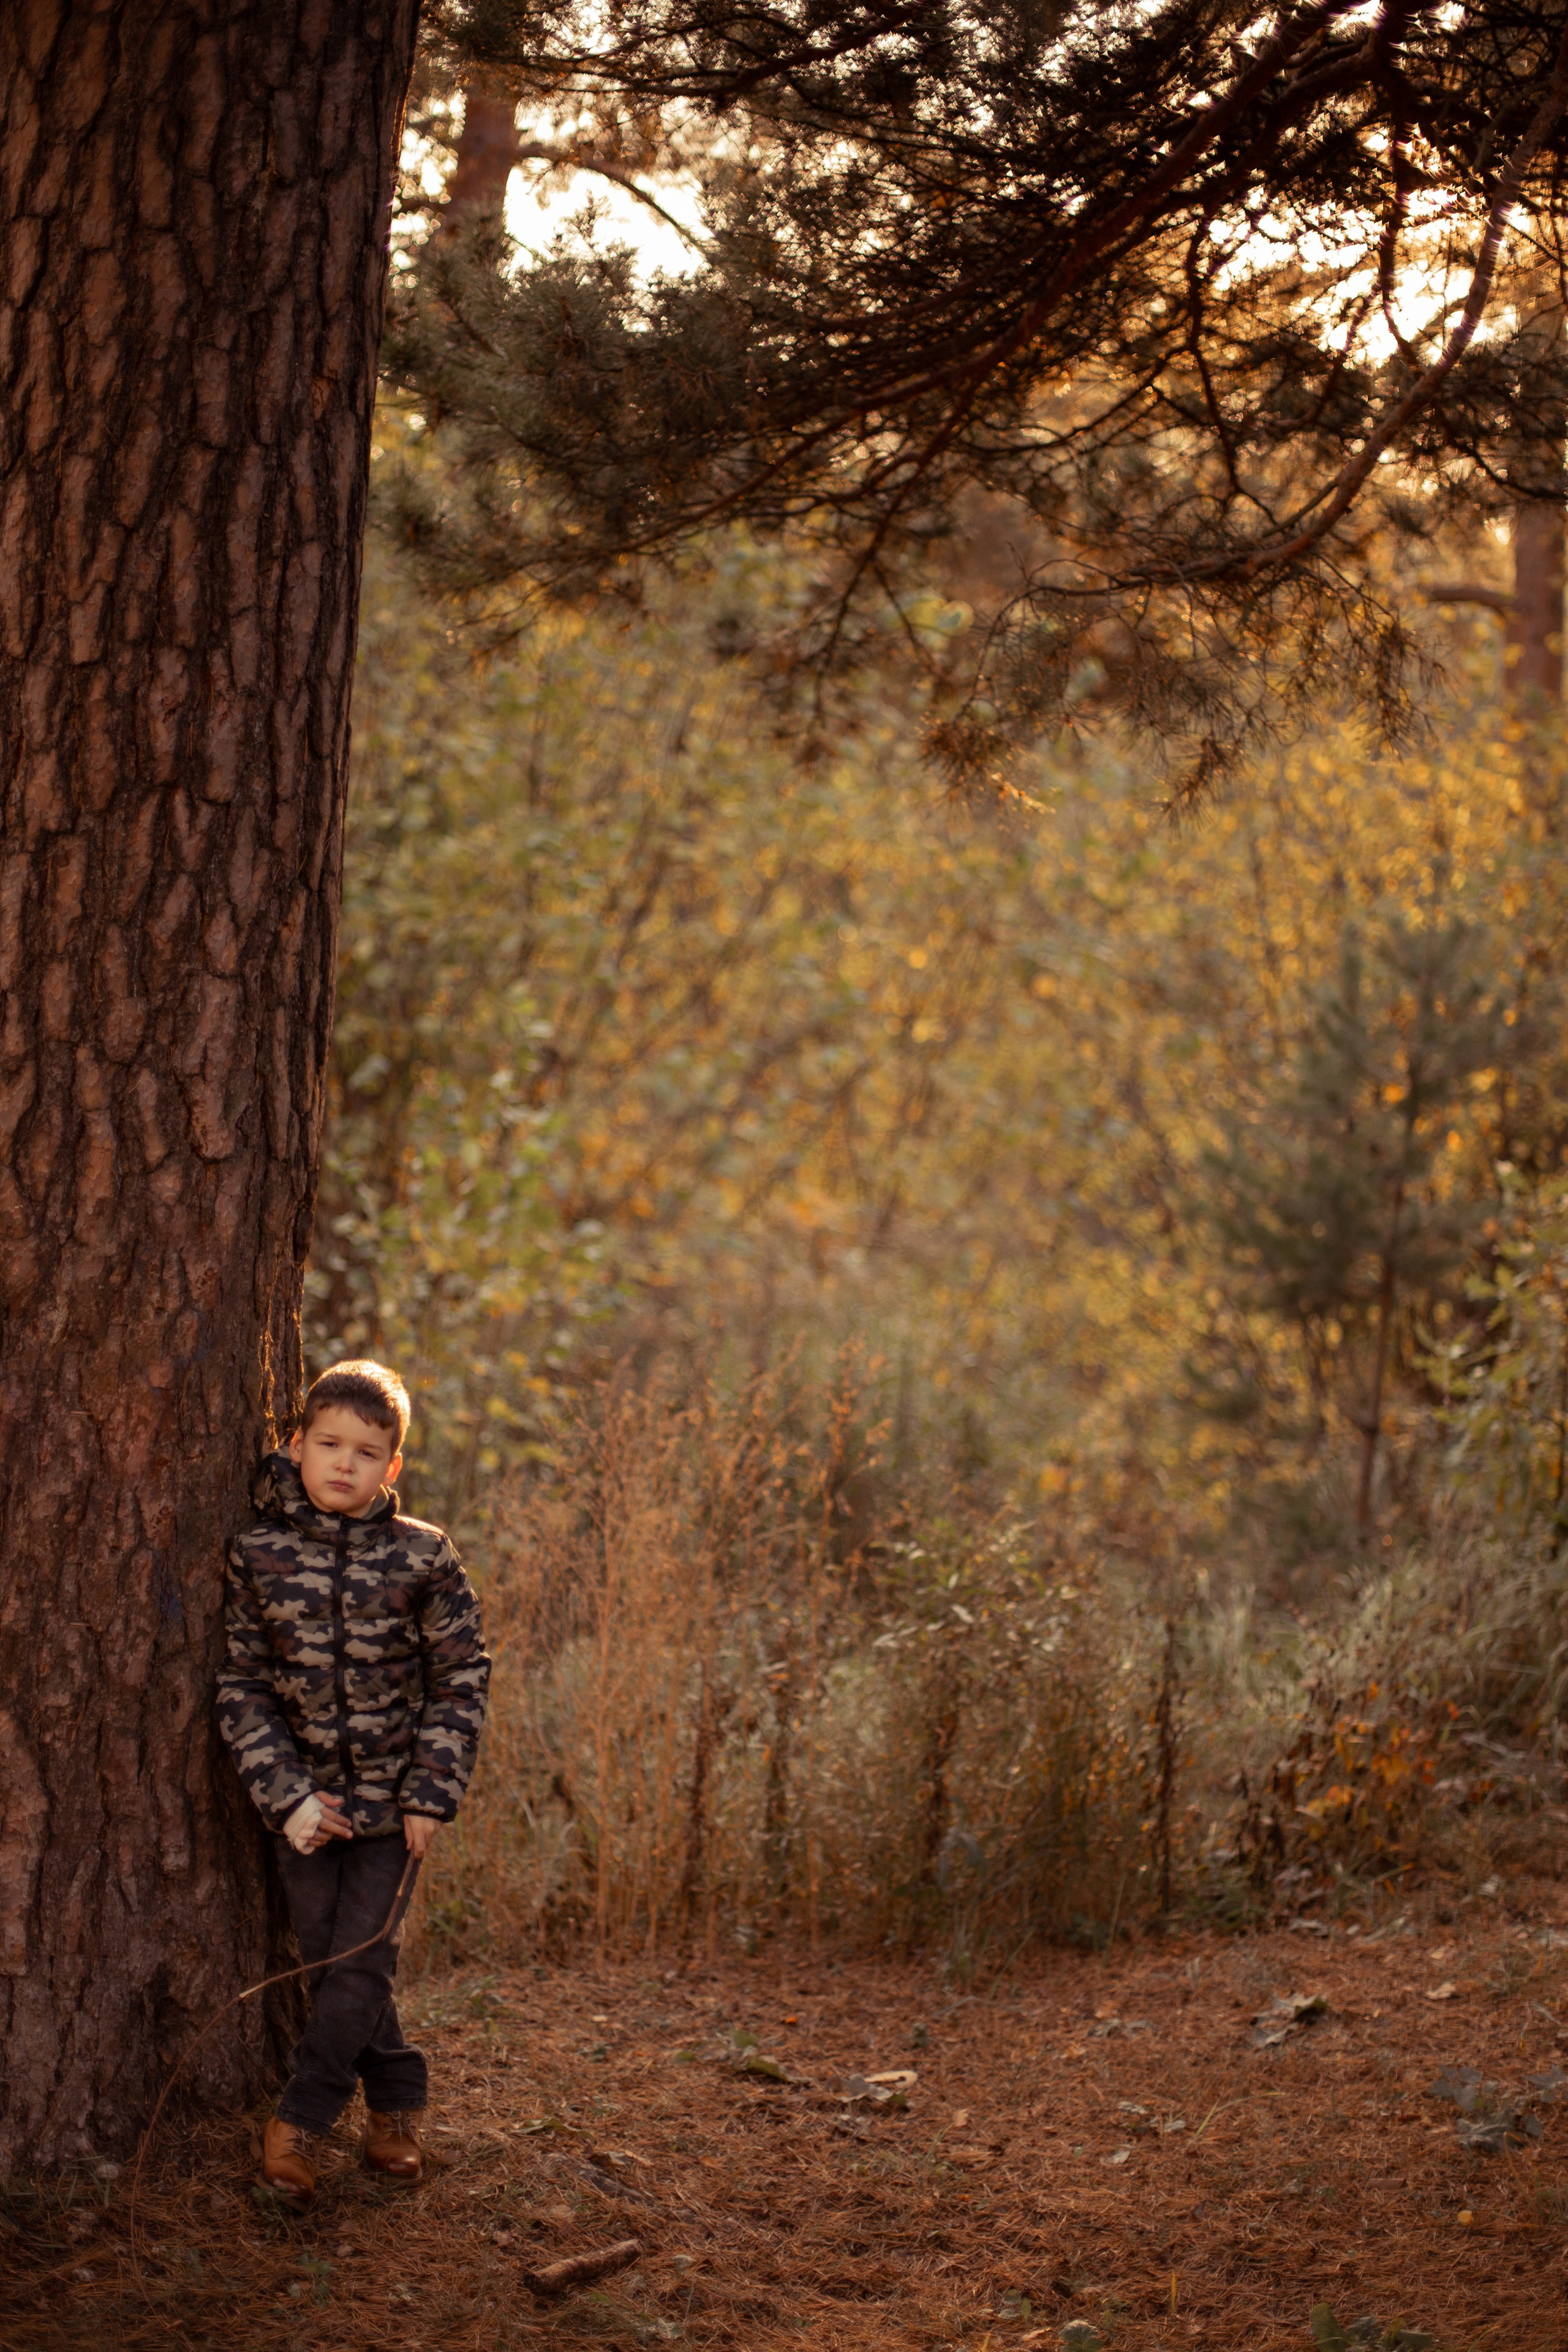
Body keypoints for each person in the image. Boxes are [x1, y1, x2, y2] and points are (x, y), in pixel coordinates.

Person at [217, 1359, 491, 2204]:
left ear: (392, 1469)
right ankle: (398, 2094)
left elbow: (461, 1676)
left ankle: (303, 2118)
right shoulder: (256, 1554)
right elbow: (241, 1684)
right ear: (296, 1445)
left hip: (393, 1808)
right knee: (330, 1963)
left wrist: (429, 1794)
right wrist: (286, 1796)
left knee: (364, 1960)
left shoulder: (423, 1557)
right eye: (329, 1444)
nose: (345, 1463)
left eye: (367, 1452)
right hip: (306, 1810)